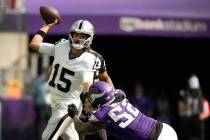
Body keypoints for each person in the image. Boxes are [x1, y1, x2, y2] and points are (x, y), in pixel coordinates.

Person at [29, 19, 114, 140]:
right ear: (71, 34)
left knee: (47, 137)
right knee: (71, 137)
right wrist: (46, 26)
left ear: (89, 38)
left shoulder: (90, 59)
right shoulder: (61, 46)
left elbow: (89, 85)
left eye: (83, 36)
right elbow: (34, 44)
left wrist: (109, 100)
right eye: (76, 34)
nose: (78, 38)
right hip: (55, 103)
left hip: (68, 106)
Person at [68, 81, 178, 140]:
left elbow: (81, 128)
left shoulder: (102, 115)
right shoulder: (119, 95)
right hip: (165, 128)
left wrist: (74, 115)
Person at [178, 74, 209, 140]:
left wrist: (198, 117)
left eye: (195, 91)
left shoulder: (202, 99)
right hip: (187, 126)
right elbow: (182, 112)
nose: (194, 93)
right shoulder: (184, 98)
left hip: (198, 126)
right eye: (192, 91)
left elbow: (207, 112)